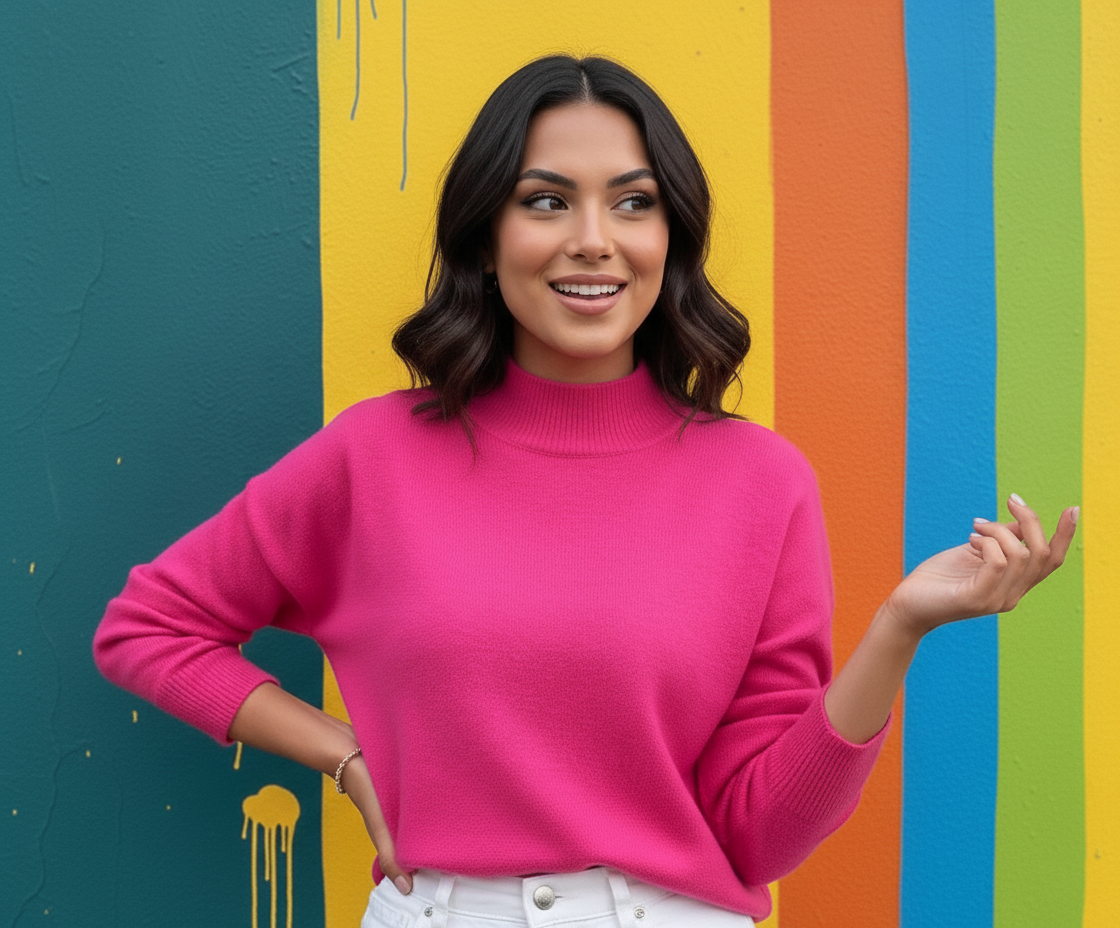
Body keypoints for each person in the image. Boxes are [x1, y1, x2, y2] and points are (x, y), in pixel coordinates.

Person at [93, 55, 1077, 928]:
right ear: (485, 237)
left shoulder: (759, 481)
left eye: (634, 202)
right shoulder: (374, 456)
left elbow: (759, 836)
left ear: (671, 237)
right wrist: (344, 756)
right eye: (547, 200)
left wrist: (897, 627)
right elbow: (148, 630)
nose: (594, 240)